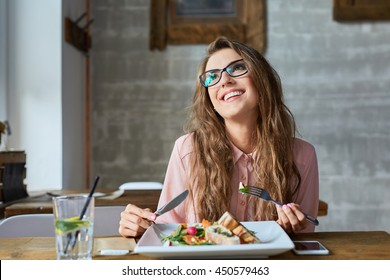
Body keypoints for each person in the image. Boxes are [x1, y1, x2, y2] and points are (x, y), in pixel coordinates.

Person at [119, 37, 319, 238]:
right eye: (212, 77)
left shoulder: (303, 155)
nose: (224, 80)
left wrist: (292, 228)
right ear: (208, 97)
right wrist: (140, 226)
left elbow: (307, 233)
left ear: (262, 79)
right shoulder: (187, 149)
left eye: (238, 68)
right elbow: (167, 230)